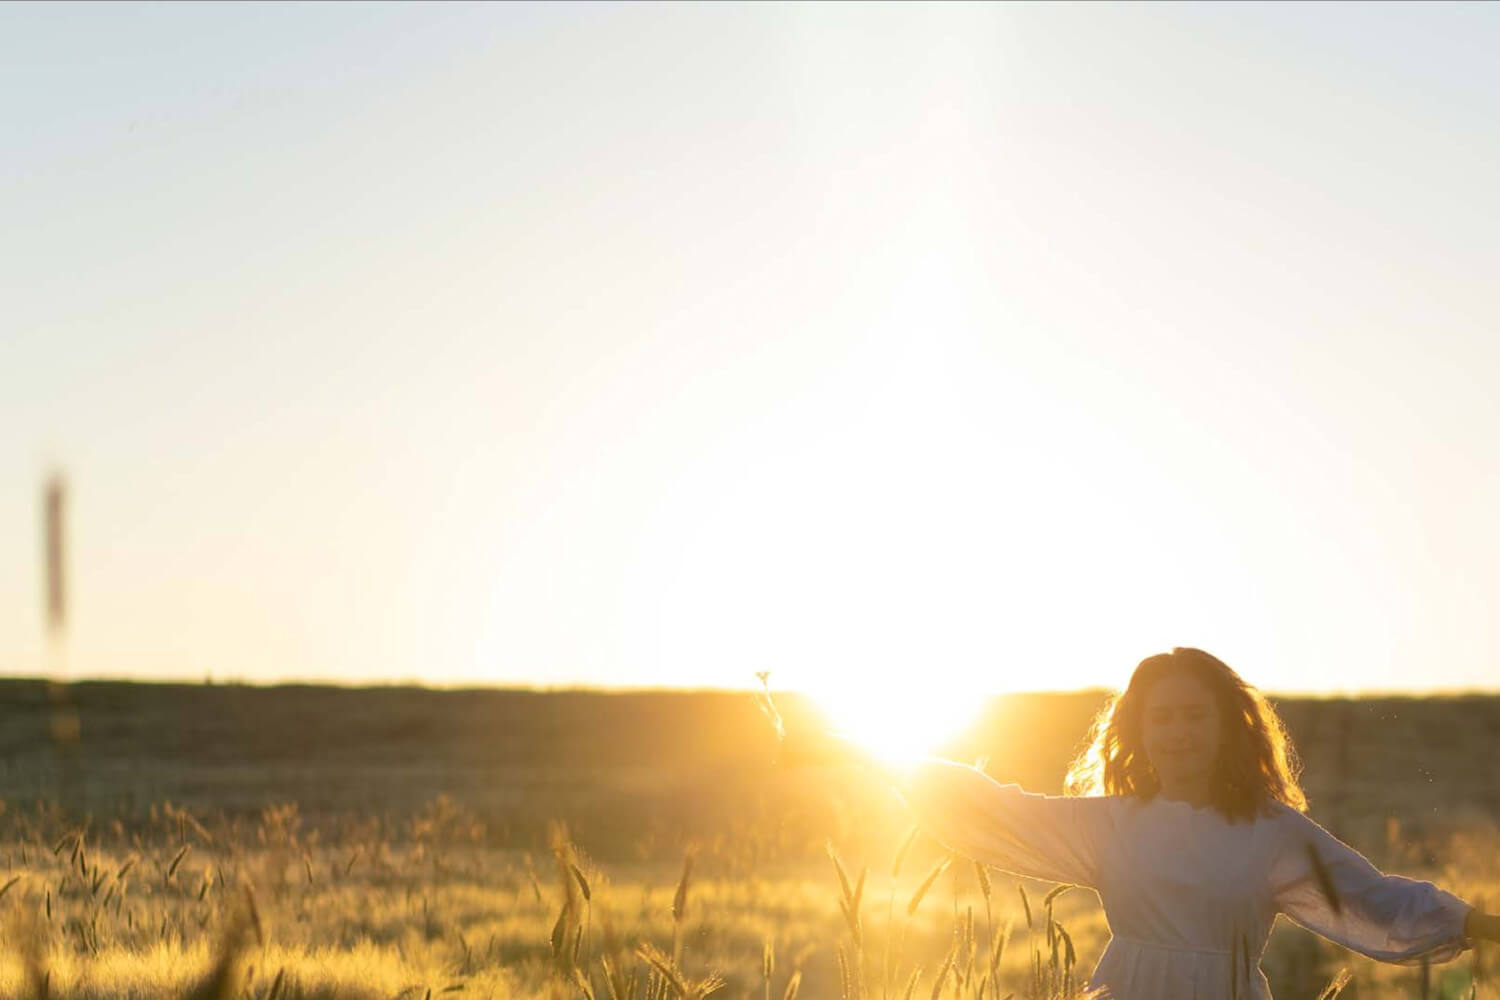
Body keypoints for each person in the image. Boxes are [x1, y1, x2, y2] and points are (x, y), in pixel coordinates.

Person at [779, 647, 1500, 1000]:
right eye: (1164, 717)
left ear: (1228, 727)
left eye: (1196, 716)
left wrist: (1476, 924)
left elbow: (1372, 899)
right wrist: (853, 749)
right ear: (1140, 731)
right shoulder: (1113, 824)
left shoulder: (1274, 833)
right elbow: (987, 806)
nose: (1180, 732)